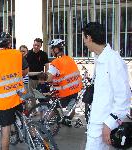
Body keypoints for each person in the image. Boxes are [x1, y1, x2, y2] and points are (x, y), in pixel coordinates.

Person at [82, 22, 131, 150]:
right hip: (96, 123)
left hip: (104, 127)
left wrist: (109, 124)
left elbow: (123, 98)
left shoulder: (113, 61)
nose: (84, 42)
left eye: (84, 38)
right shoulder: (99, 59)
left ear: (89, 37)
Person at [0, 32, 28, 150]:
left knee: (6, 127)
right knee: (22, 118)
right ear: (9, 43)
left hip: (4, 100)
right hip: (19, 95)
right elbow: (25, 70)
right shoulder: (18, 54)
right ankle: (32, 136)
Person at [46, 39, 83, 126]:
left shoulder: (56, 62)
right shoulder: (69, 59)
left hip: (64, 91)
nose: (51, 50)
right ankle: (68, 119)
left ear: (56, 49)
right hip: (75, 89)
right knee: (71, 107)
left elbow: (49, 78)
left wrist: (42, 77)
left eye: (52, 48)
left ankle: (45, 124)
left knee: (54, 108)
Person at [26, 38, 49, 107]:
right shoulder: (28, 54)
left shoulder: (43, 54)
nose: (36, 47)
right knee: (32, 96)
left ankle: (42, 109)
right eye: (35, 45)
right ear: (33, 44)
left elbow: (47, 66)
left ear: (40, 46)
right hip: (31, 79)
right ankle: (34, 110)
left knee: (41, 95)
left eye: (38, 45)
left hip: (41, 79)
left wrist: (45, 77)